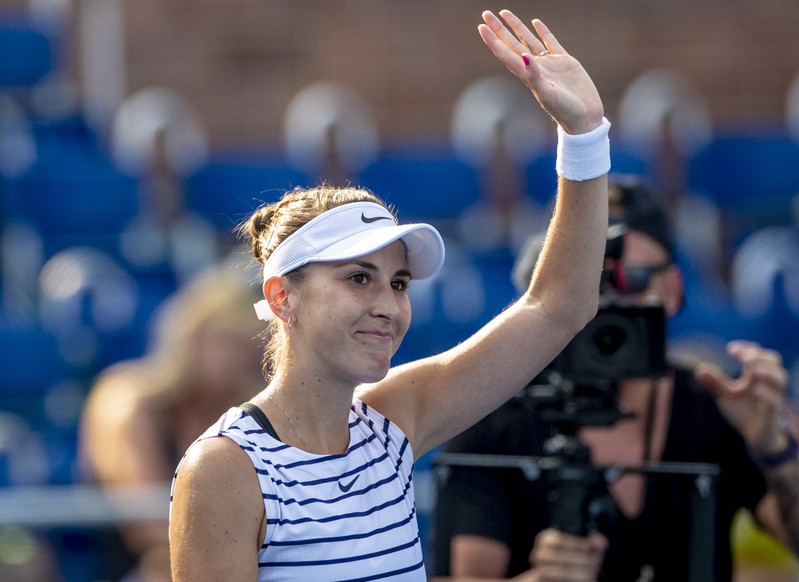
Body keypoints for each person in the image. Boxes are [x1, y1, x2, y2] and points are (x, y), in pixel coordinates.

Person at [168, 9, 611, 580]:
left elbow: (560, 305)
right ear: (282, 298)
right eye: (359, 278)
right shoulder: (223, 469)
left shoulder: (391, 423)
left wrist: (584, 136)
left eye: (398, 283)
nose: (388, 304)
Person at [429, 176, 799, 581]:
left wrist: (773, 445)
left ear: (672, 290)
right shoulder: (498, 411)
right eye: (590, 280)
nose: (611, 300)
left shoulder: (715, 404)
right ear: (554, 287)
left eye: (631, 280)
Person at [78, 259, 266, 581]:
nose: (240, 360)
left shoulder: (246, 414)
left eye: (251, 348)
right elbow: (149, 526)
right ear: (194, 335)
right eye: (230, 341)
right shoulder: (127, 400)